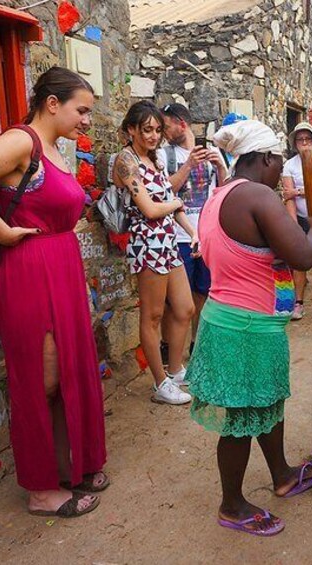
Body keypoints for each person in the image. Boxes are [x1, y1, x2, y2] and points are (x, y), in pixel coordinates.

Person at [0, 67, 107, 518]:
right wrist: (3, 231)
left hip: (60, 265)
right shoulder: (21, 141)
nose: (87, 120)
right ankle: (41, 490)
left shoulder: (52, 147)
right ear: (53, 104)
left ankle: (70, 466)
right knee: (41, 379)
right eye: (81, 110)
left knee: (69, 369)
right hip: (29, 269)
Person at [187, 120, 312, 536]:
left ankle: (282, 473)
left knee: (265, 404)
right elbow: (303, 255)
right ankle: (232, 504)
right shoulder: (257, 195)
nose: (279, 171)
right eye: (277, 163)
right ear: (266, 158)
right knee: (241, 419)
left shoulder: (222, 193)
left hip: (237, 320)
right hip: (245, 327)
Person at [113, 101, 195, 406]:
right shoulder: (126, 160)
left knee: (185, 307)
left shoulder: (154, 160)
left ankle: (175, 371)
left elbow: (169, 196)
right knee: (153, 315)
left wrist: (193, 231)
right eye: (147, 129)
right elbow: (149, 209)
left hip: (168, 242)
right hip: (147, 243)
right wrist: (175, 205)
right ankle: (161, 383)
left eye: (158, 129)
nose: (153, 135)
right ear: (131, 129)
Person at [160, 103, 228, 359]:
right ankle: (168, 345)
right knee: (175, 300)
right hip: (178, 238)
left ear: (182, 124)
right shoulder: (164, 155)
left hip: (207, 236)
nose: (163, 132)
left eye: (166, 126)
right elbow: (165, 193)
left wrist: (220, 166)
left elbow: (225, 191)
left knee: (203, 292)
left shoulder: (212, 153)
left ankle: (195, 343)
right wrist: (188, 165)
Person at [282, 122, 312, 320]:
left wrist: (299, 191)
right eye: (300, 140)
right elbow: (287, 195)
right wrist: (293, 225)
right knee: (299, 261)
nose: (304, 143)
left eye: (308, 139)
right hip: (300, 216)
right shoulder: (289, 165)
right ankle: (298, 302)